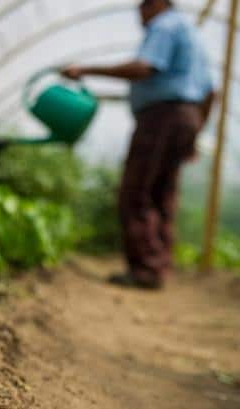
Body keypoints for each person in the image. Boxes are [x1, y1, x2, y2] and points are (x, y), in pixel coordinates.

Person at [61, 0, 214, 289]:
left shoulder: (166, 25)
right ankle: (159, 266)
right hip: (187, 116)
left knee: (136, 191)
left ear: (158, 3)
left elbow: (145, 68)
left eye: (142, 7)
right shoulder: (191, 35)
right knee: (162, 193)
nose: (139, 14)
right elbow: (210, 91)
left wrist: (86, 70)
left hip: (161, 117)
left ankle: (145, 270)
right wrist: (194, 131)